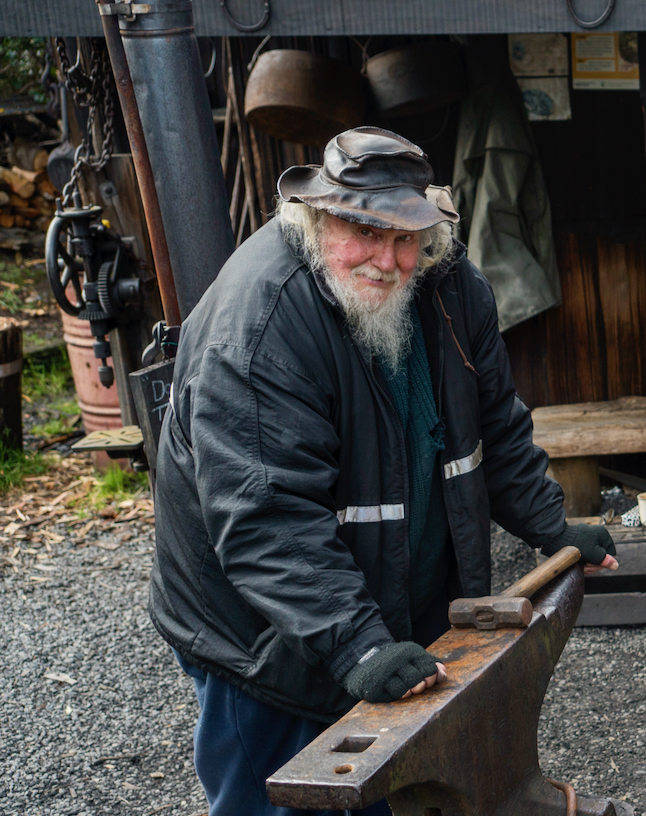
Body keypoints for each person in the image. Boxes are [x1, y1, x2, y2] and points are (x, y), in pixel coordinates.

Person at [148, 127, 619, 816]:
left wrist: (553, 525)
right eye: (363, 232)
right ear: (315, 220)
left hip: (387, 608)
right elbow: (267, 518)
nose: (387, 259)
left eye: (405, 237)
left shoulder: (452, 285)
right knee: (285, 800)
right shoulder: (262, 326)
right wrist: (359, 643)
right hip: (264, 641)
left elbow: (494, 427)